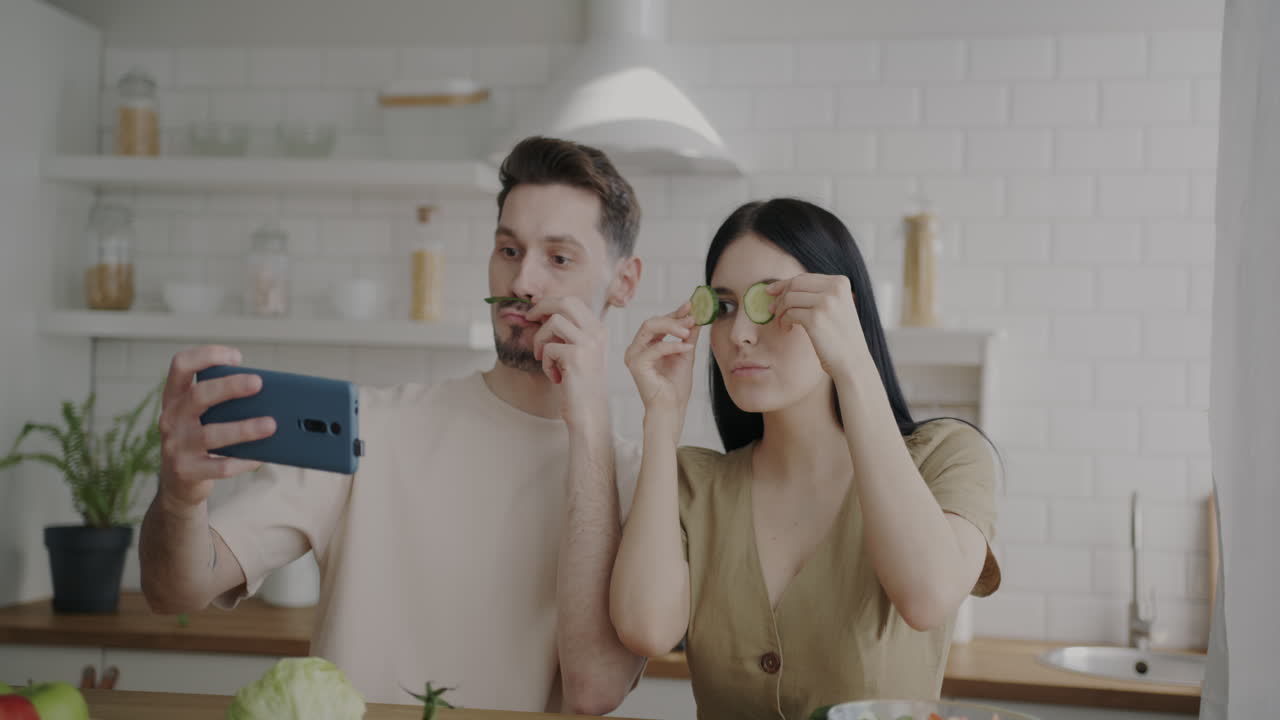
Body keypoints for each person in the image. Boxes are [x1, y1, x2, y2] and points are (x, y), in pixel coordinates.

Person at [139, 137, 648, 714]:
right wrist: (181, 499)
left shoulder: (635, 480)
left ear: (625, 281)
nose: (523, 282)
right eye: (509, 250)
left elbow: (596, 691)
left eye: (559, 258)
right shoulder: (371, 427)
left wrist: (587, 422)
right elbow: (174, 589)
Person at [611, 198, 1002, 719]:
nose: (740, 334)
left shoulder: (946, 456)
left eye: (771, 303)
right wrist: (661, 419)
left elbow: (927, 595)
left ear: (839, 311)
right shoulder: (691, 482)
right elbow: (646, 627)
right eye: (724, 307)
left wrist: (853, 363)